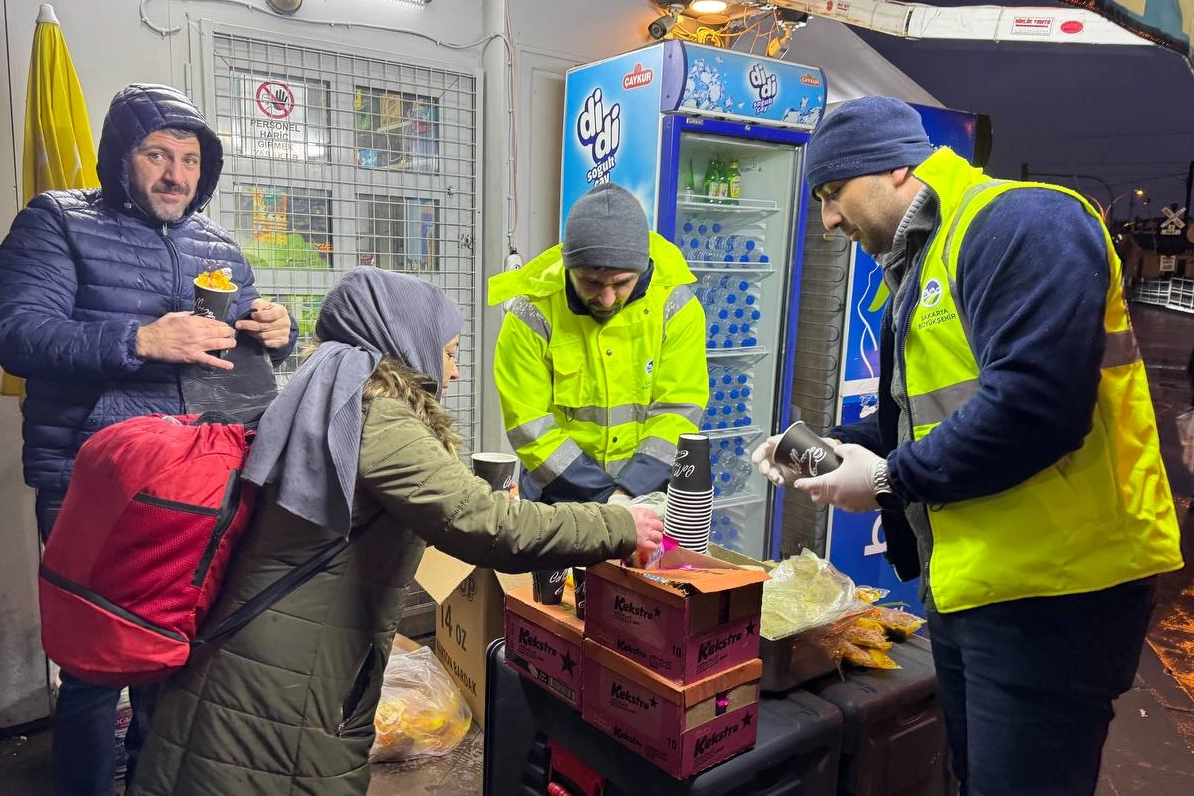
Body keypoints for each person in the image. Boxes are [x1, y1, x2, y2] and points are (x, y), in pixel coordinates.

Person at [752, 96, 1184, 796]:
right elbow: (923, 419)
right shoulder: (924, 263)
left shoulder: (1022, 223)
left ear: (893, 168)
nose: (829, 220)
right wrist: (826, 446)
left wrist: (890, 479)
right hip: (977, 583)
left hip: (1059, 592)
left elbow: (1037, 408)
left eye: (833, 194)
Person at [125, 267, 664, 796]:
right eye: (450, 352)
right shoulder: (377, 416)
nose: (452, 373)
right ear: (403, 340)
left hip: (262, 657)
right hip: (282, 682)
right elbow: (485, 526)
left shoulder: (332, 394)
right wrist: (620, 522)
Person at [0, 83, 297, 796]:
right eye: (157, 154)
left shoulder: (219, 245)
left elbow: (233, 365)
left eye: (191, 159)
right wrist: (140, 339)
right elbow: (17, 336)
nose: (176, 175)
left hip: (192, 483)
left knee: (176, 649)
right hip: (88, 479)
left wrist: (278, 338)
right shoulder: (56, 221)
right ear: (118, 157)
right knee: (96, 668)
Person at [488, 182, 708, 504]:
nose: (606, 299)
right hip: (559, 496)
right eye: (591, 282)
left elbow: (679, 406)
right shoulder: (530, 314)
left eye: (621, 284)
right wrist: (606, 498)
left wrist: (631, 489)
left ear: (643, 267)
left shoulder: (676, 307)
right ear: (568, 267)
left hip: (648, 492)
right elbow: (529, 424)